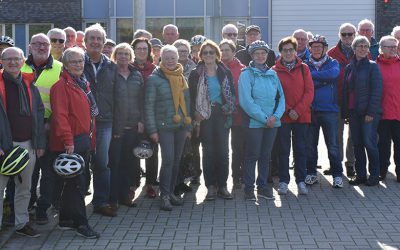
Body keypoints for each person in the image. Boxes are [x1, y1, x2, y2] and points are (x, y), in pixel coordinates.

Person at [49, 47, 100, 238]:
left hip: (83, 138)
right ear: (66, 65)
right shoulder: (60, 87)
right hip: (71, 141)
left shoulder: (82, 83)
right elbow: (60, 117)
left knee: (72, 184)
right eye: (73, 62)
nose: (78, 65)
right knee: (79, 183)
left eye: (80, 61)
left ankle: (66, 220)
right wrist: (69, 141)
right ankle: (81, 223)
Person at [0, 47, 45, 237]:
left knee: (25, 188)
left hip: (28, 145)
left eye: (16, 59)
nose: (12, 62)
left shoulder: (30, 84)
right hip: (3, 146)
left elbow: (40, 113)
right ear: (1, 62)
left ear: (22, 61)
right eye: (8, 59)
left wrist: (39, 143)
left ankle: (21, 224)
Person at [20, 33, 63, 224]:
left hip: (48, 127)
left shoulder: (60, 68)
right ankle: (26, 205)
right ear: (30, 46)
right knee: (27, 170)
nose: (41, 47)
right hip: (24, 128)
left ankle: (42, 208)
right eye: (36, 44)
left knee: (48, 171)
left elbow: (63, 101)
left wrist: (51, 122)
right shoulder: (18, 66)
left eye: (45, 44)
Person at [145, 45, 192, 211]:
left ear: (178, 59)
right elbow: (148, 106)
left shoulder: (181, 77)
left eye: (173, 58)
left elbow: (187, 104)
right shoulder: (154, 79)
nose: (170, 61)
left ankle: (171, 192)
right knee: (168, 160)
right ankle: (164, 196)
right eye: (167, 58)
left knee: (176, 161)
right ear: (161, 59)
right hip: (163, 127)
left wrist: (189, 127)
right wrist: (152, 130)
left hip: (180, 126)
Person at [189, 40, 235, 201]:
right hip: (204, 115)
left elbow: (232, 94)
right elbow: (191, 97)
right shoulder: (196, 73)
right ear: (201, 55)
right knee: (208, 152)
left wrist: (228, 107)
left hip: (221, 114)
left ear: (217, 55)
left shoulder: (225, 71)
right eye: (205, 52)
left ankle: (222, 185)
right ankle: (210, 186)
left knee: (223, 151)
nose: (208, 55)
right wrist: (195, 114)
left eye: (211, 52)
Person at [239, 40, 285, 200]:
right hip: (254, 123)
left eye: (263, 53)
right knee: (252, 155)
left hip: (272, 122)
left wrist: (275, 116)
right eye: (256, 53)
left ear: (267, 55)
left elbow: (281, 98)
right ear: (251, 55)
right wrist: (265, 118)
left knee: (266, 156)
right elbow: (246, 101)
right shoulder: (246, 74)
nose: (260, 56)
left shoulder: (273, 74)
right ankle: (249, 189)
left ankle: (263, 187)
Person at [83, 23, 120, 217]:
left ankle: (101, 201)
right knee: (80, 161)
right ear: (85, 42)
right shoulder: (76, 63)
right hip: (80, 122)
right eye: (92, 38)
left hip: (105, 122)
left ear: (104, 43)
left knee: (102, 163)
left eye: (99, 39)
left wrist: (118, 124)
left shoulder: (112, 67)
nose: (96, 42)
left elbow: (118, 97)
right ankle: (77, 202)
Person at [273, 37, 314, 195]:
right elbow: (275, 95)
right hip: (283, 117)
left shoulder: (304, 68)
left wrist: (298, 110)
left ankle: (301, 181)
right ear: (281, 52)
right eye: (285, 50)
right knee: (283, 149)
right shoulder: (274, 71)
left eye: (291, 49)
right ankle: (284, 181)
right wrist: (289, 110)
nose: (288, 52)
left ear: (296, 51)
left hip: (301, 116)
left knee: (301, 149)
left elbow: (309, 92)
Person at [342, 36, 382, 186]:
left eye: (366, 46)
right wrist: (346, 112)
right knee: (357, 144)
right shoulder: (349, 67)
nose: (363, 48)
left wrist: (371, 113)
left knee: (369, 143)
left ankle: (374, 175)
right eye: (360, 46)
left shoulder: (373, 66)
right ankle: (361, 175)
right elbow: (346, 91)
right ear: (354, 48)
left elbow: (377, 91)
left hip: (368, 113)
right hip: (353, 112)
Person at [108, 43, 144, 209]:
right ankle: (113, 198)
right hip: (116, 126)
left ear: (131, 57)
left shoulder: (136, 74)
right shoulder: (109, 73)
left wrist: (141, 121)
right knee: (114, 163)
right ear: (115, 56)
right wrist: (115, 126)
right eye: (120, 54)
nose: (123, 56)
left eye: (126, 54)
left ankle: (125, 196)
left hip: (133, 126)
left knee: (128, 163)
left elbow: (141, 99)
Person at [305, 35, 343, 188]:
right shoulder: (305, 65)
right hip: (311, 110)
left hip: (330, 111)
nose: (316, 49)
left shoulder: (333, 62)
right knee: (310, 145)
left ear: (325, 48)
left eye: (319, 47)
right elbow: (304, 81)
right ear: (310, 48)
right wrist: (323, 79)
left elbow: (333, 74)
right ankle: (311, 173)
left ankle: (337, 175)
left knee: (333, 146)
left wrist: (312, 76)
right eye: (313, 47)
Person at [327, 23, 357, 177]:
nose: (347, 37)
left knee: (353, 135)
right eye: (344, 34)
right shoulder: (331, 53)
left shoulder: (361, 51)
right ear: (339, 35)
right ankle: (336, 164)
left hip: (354, 101)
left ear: (355, 34)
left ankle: (350, 163)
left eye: (350, 34)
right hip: (336, 99)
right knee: (336, 134)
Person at [131, 37, 158, 199]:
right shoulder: (128, 68)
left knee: (153, 152)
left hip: (153, 117)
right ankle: (133, 183)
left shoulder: (155, 69)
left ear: (149, 52)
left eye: (145, 49)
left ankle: (151, 184)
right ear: (134, 51)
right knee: (134, 152)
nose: (142, 51)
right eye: (139, 48)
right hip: (133, 117)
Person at [219, 39, 245, 189]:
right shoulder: (215, 68)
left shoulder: (243, 69)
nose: (224, 53)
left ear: (234, 52)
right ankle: (220, 180)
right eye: (221, 50)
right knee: (222, 149)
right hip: (221, 116)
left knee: (238, 149)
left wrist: (234, 105)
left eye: (227, 50)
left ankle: (237, 178)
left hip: (239, 115)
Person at [172, 39, 197, 194]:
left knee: (187, 150)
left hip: (190, 113)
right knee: (174, 152)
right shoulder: (169, 66)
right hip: (174, 115)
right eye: (179, 51)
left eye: (185, 51)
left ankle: (182, 180)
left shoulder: (194, 68)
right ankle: (173, 182)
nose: (182, 53)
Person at [376, 36, 400, 182]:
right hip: (381, 113)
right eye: (389, 47)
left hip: (398, 112)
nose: (392, 49)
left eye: (394, 46)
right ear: (381, 49)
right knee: (383, 144)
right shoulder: (375, 65)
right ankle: (382, 170)